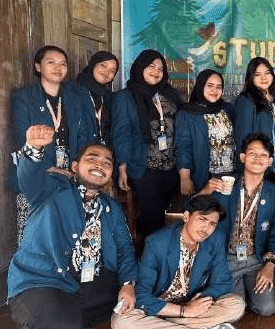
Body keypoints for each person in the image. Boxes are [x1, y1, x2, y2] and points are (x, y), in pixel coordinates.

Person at [7, 125, 136, 329]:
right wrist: (33, 149)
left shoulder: (110, 207)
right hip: (41, 280)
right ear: (75, 166)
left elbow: (125, 248)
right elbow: (29, 179)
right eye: (92, 158)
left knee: (127, 298)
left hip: (84, 281)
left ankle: (78, 327)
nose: (100, 165)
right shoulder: (53, 189)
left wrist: (128, 284)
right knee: (58, 324)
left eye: (107, 162)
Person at [111, 195, 246, 329]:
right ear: (186, 216)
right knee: (119, 321)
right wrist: (185, 312)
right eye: (202, 219)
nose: (206, 229)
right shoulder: (156, 242)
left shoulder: (215, 239)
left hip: (191, 301)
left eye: (212, 224)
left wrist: (199, 301)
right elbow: (141, 294)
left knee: (237, 305)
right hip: (160, 306)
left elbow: (223, 282)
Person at [10, 45, 93, 242]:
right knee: (33, 234)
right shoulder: (24, 97)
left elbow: (83, 134)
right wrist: (49, 168)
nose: (58, 67)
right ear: (38, 67)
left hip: (69, 175)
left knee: (65, 233)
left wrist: (78, 165)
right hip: (36, 174)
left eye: (63, 64)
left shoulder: (74, 98)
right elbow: (22, 136)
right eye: (51, 62)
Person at [201, 133, 275, 317]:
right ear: (242, 157)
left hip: (255, 260)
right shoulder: (224, 185)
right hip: (227, 259)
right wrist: (206, 190)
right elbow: (193, 211)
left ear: (270, 161)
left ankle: (246, 293)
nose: (258, 158)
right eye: (252, 153)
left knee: (267, 308)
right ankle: (240, 296)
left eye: (263, 155)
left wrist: (270, 265)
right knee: (235, 312)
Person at [111, 49, 183, 240]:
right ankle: (152, 254)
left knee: (164, 214)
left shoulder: (170, 94)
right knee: (153, 218)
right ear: (140, 67)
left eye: (160, 68)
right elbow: (122, 134)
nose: (156, 71)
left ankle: (155, 248)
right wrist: (122, 168)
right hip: (144, 166)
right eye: (151, 66)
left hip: (171, 167)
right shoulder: (125, 97)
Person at [176, 69, 236, 197]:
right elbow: (183, 148)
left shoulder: (228, 109)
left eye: (218, 87)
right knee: (203, 208)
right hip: (204, 176)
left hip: (230, 176)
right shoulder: (187, 114)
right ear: (200, 86)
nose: (214, 90)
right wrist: (185, 178)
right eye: (210, 86)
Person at [233, 57, 275, 192]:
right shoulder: (245, 100)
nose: (263, 77)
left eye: (267, 73)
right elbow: (242, 137)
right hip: (258, 165)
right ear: (251, 78)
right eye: (257, 74)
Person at [75, 50, 120, 146]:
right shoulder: (73, 91)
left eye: (112, 70)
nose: (107, 72)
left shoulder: (110, 98)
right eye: (103, 65)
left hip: (105, 152)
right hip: (81, 151)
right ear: (93, 65)